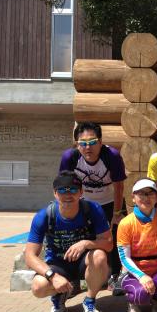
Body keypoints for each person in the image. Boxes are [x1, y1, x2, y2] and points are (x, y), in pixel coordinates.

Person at [24, 171, 112, 312]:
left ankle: (89, 301)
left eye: (73, 190)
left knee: (99, 256)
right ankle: (60, 295)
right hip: (58, 264)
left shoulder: (92, 209)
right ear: (55, 193)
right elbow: (29, 256)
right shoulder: (44, 216)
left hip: (84, 262)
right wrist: (53, 276)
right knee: (38, 287)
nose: (68, 195)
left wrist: (86, 243)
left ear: (81, 192)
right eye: (62, 190)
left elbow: (108, 243)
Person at [59, 121, 127, 295]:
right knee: (78, 237)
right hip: (84, 203)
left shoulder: (111, 155)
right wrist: (66, 209)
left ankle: (115, 275)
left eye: (92, 142)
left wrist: (117, 213)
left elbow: (119, 186)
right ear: (77, 144)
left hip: (110, 201)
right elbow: (64, 184)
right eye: (83, 143)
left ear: (100, 142)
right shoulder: (70, 157)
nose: (87, 147)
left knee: (114, 237)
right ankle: (76, 279)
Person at [116, 178, 157, 312]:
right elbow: (124, 257)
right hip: (134, 272)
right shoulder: (126, 223)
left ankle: (156, 300)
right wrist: (142, 276)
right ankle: (133, 302)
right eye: (141, 193)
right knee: (141, 294)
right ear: (133, 197)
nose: (146, 197)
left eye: (151, 193)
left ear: (156, 197)